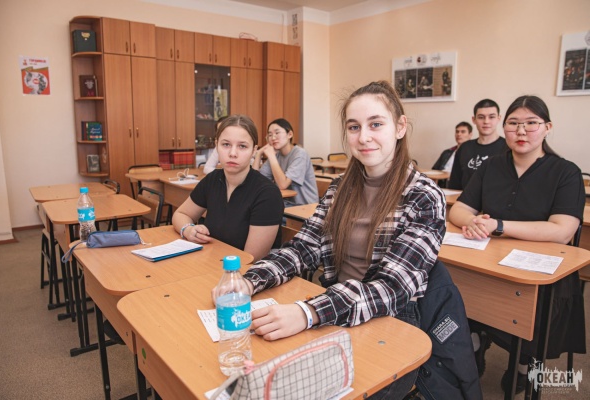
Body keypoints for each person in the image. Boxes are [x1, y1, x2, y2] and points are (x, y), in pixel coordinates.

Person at [217, 81, 458, 398]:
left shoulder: (424, 196)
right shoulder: (340, 186)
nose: (363, 137)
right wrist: (249, 281)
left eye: (376, 124)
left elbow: (392, 290)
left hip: (391, 322)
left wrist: (307, 313)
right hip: (334, 308)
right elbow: (303, 248)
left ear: (400, 127)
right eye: (354, 127)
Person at [448, 95, 586, 393]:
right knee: (457, 288)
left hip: (540, 273)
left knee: (529, 317)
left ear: (547, 127)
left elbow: (562, 231)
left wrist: (498, 226)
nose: (521, 131)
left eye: (531, 123)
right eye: (513, 124)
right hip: (489, 263)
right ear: (504, 127)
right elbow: (458, 210)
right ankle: (474, 343)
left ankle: (524, 365)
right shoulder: (491, 166)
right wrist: (471, 221)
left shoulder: (566, 172)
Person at [173, 114, 284, 261]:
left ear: (253, 150)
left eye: (242, 146)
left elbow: (250, 259)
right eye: (226, 144)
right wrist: (188, 230)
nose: (232, 153)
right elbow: (181, 214)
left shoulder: (267, 194)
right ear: (217, 146)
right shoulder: (212, 180)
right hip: (212, 260)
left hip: (242, 271)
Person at [252, 118, 319, 206]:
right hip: (285, 203)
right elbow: (255, 181)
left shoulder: (300, 154)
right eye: (270, 134)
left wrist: (271, 156)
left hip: (304, 206)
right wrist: (258, 154)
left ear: (289, 134)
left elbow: (283, 185)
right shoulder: (276, 154)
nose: (273, 138)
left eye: (277, 133)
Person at [448, 99, 508, 190]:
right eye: (481, 117)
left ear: (499, 118)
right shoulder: (464, 148)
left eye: (491, 117)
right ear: (474, 120)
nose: (486, 121)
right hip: (465, 198)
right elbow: (454, 184)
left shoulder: (508, 148)